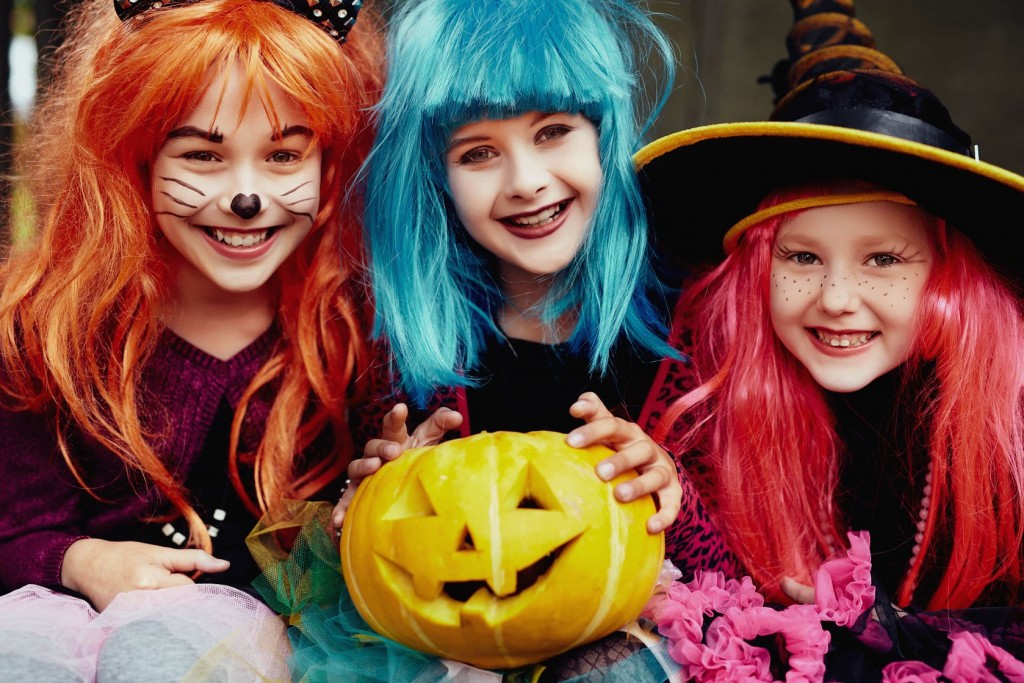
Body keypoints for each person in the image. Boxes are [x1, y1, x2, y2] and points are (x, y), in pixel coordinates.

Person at [252, 0, 735, 681]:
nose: (527, 181)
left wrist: (670, 493)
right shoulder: (400, 348)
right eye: (478, 152)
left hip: (653, 642)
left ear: (604, 131)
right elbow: (395, 570)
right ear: (436, 179)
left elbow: (753, 575)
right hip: (451, 652)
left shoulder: (696, 323)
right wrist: (368, 511)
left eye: (553, 131)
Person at [637, 0, 1024, 678]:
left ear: (946, 273)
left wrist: (888, 634)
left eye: (883, 259)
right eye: (802, 258)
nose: (838, 300)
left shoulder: (1012, 418)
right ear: (758, 268)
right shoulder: (707, 401)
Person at [0, 0, 383, 678]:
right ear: (138, 158)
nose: (245, 195)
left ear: (330, 164)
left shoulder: (359, 329)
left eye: (284, 155)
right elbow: (14, 523)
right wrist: (80, 559)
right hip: (69, 628)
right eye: (203, 155)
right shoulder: (48, 323)